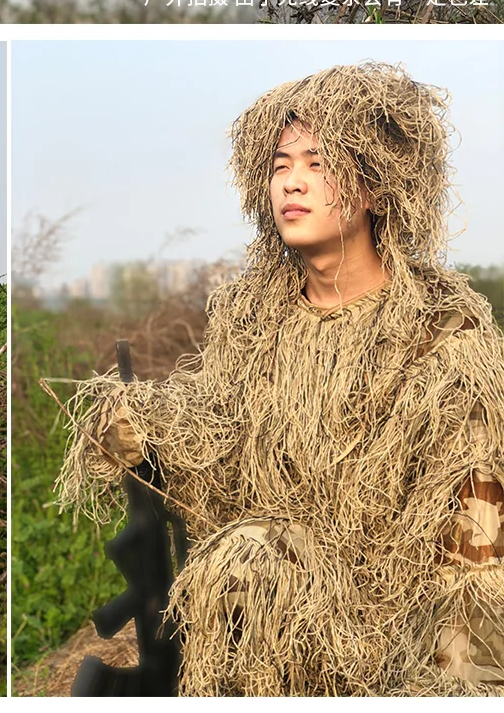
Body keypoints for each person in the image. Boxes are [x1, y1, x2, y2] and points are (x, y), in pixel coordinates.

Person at [59, 62, 504, 695]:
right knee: (250, 559)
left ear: (376, 186)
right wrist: (142, 426)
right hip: (254, 623)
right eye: (278, 165)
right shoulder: (252, 320)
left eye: (317, 164)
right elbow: (215, 436)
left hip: (382, 639)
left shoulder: (444, 340)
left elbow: (475, 549)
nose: (291, 183)